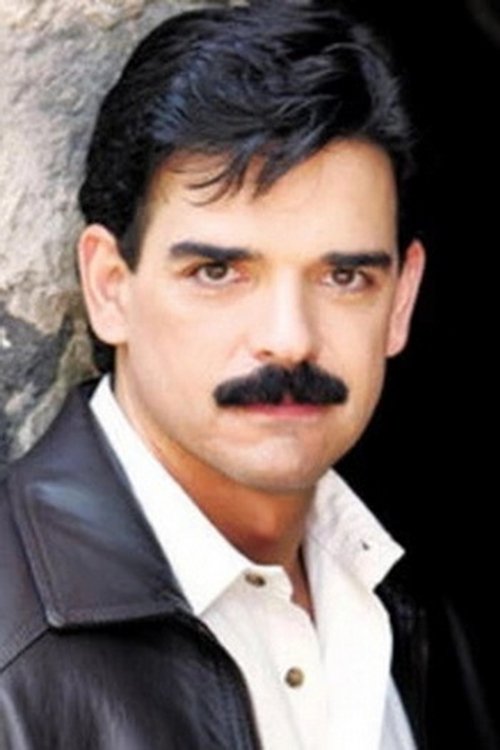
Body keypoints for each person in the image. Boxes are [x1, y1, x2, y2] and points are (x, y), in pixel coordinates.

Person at [0, 2, 495, 749]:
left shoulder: (413, 602)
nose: (289, 340)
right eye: (219, 272)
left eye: (344, 277)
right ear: (109, 287)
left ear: (401, 301)